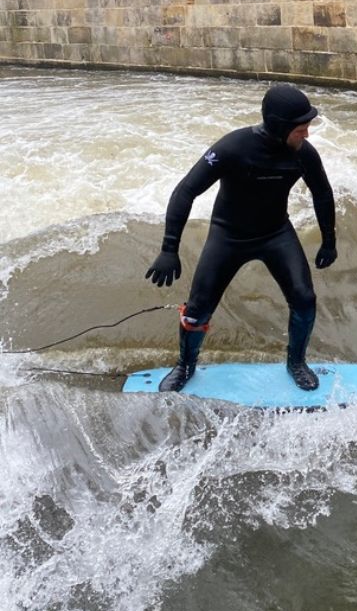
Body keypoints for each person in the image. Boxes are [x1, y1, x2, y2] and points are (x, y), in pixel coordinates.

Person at [143, 84, 337, 391]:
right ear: (279, 126)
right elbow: (186, 191)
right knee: (197, 311)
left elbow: (323, 195)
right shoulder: (232, 147)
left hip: (276, 233)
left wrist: (329, 240)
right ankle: (185, 366)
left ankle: (296, 362)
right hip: (228, 236)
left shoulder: (304, 154)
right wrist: (169, 248)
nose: (307, 136)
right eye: (301, 130)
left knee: (305, 298)